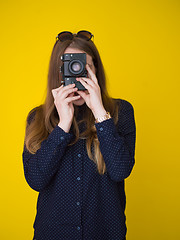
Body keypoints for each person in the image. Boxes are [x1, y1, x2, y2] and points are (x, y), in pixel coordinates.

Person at [22, 30, 136, 240]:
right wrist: (63, 125)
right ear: (58, 73)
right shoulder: (37, 118)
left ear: (96, 72)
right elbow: (36, 180)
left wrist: (101, 114)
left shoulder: (121, 112)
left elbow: (120, 170)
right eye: (69, 67)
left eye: (84, 67)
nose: (76, 75)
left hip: (105, 233)